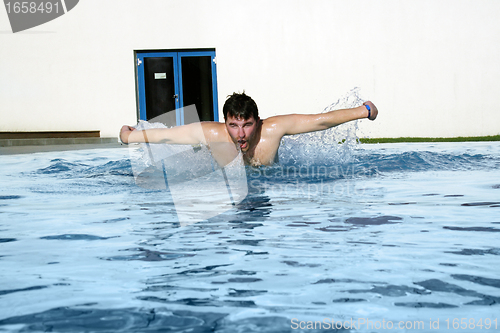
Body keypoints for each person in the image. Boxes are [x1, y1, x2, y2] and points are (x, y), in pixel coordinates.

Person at [120, 92, 378, 167]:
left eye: (247, 125)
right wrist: (128, 136)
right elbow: (165, 134)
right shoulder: (211, 133)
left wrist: (364, 111)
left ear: (258, 121)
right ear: (225, 123)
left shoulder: (273, 129)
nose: (241, 134)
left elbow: (320, 120)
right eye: (233, 125)